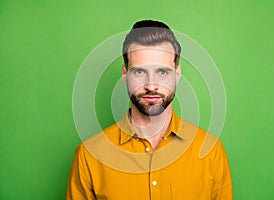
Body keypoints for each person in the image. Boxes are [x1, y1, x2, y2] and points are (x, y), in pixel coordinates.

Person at [66, 20, 233, 200]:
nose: (151, 85)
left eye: (162, 72)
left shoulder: (210, 151)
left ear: (177, 75)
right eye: (139, 72)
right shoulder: (89, 155)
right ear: (125, 74)